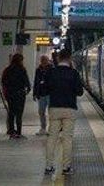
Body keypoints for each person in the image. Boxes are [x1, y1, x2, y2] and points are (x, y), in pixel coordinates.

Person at [44, 47, 82, 177]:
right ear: (70, 59)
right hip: (69, 109)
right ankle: (66, 167)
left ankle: (49, 166)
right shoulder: (74, 73)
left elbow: (44, 90)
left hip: (54, 108)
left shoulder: (51, 72)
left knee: (52, 138)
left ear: (59, 58)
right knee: (67, 139)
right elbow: (80, 92)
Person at [1, 53, 31, 139]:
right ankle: (19, 132)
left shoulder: (7, 70)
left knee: (11, 113)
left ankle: (11, 131)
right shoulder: (22, 69)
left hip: (10, 93)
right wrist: (27, 90)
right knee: (19, 114)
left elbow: (4, 81)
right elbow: (26, 81)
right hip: (20, 94)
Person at [33, 53, 52, 134]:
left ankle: (52, 128)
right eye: (42, 60)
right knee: (41, 112)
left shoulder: (52, 69)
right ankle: (43, 128)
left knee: (51, 112)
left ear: (48, 60)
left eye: (44, 60)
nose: (43, 62)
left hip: (50, 93)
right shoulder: (38, 70)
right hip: (41, 94)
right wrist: (34, 93)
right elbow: (36, 82)